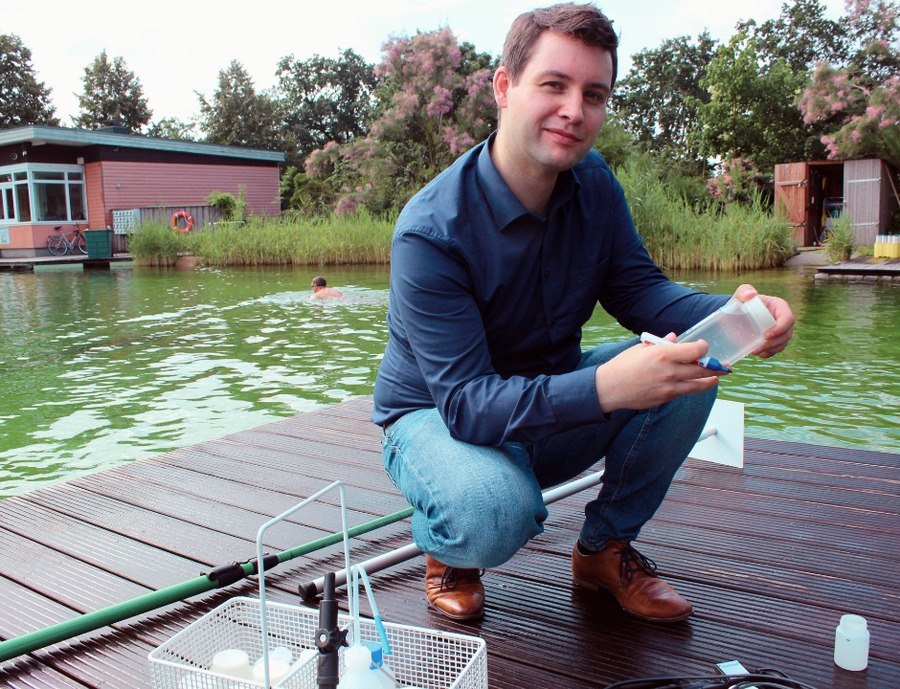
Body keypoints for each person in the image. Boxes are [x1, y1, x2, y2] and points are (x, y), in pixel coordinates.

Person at [372, 2, 794, 624]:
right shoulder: (430, 232)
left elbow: (639, 291)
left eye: (594, 94)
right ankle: (450, 548)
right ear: (505, 87)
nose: (575, 110)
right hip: (438, 417)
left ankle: (604, 550)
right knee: (492, 512)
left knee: (696, 358)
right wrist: (607, 387)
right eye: (554, 85)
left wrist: (739, 312)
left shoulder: (593, 182)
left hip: (547, 403)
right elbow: (467, 402)